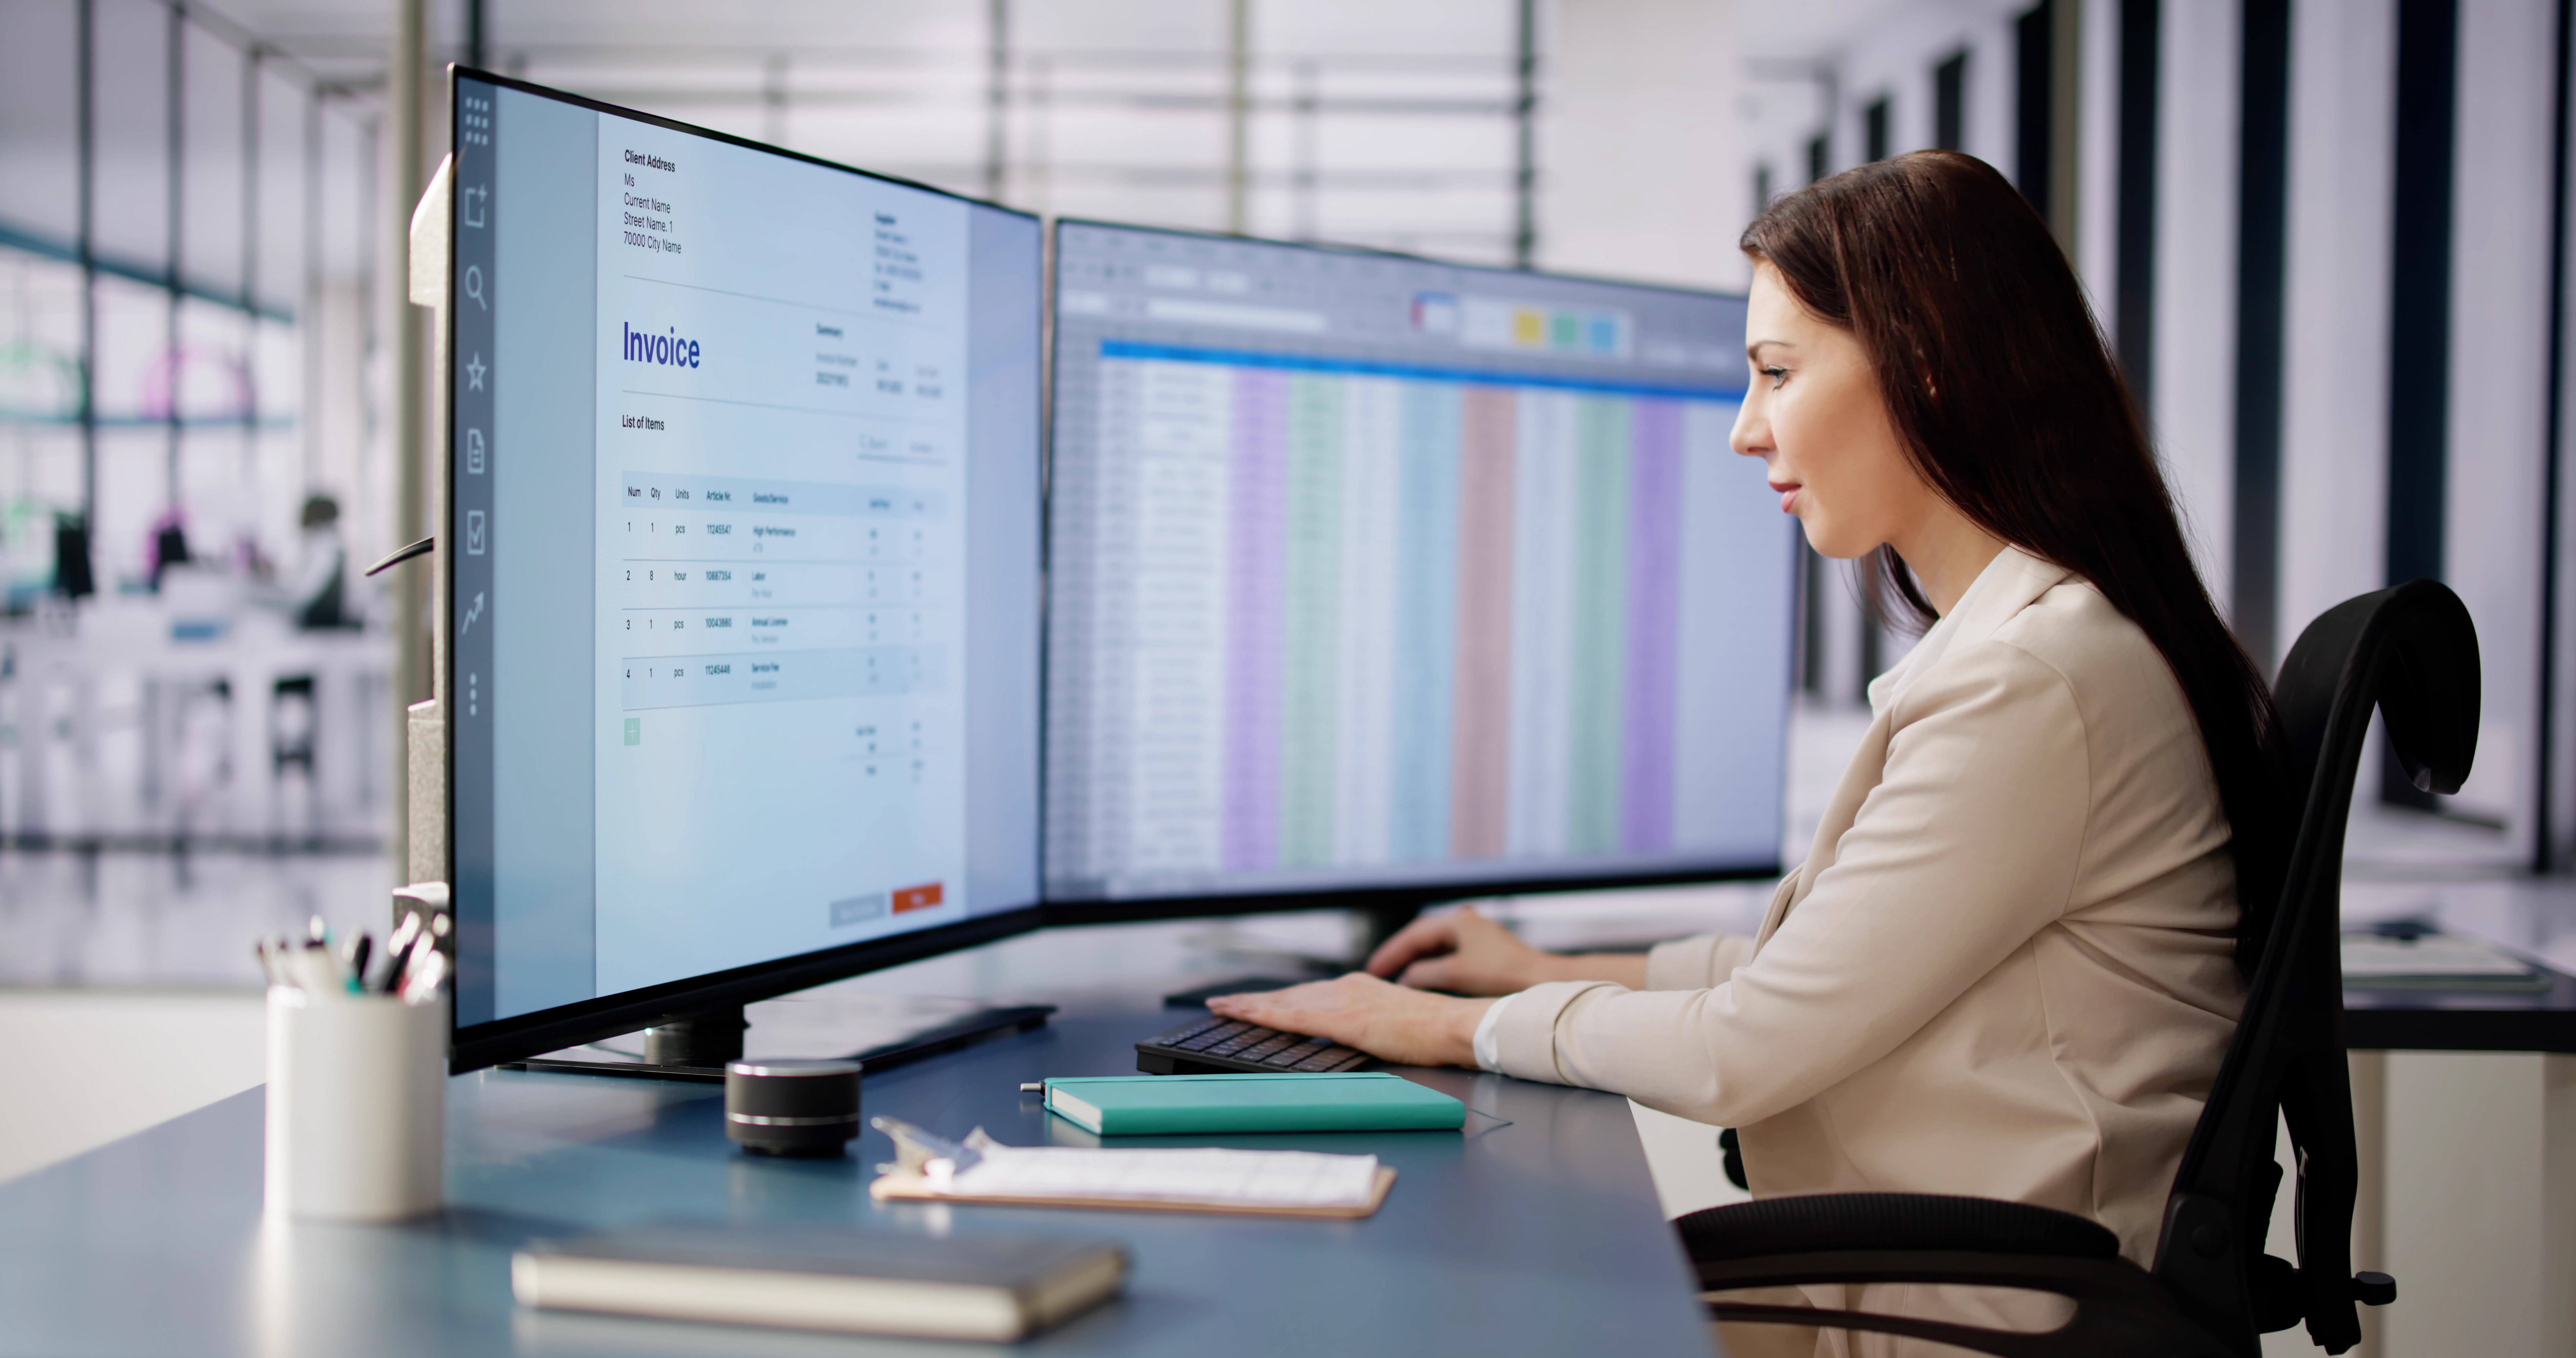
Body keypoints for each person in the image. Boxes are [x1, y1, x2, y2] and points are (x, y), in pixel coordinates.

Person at [1207, 150, 2284, 1355]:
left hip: (1969, 1316)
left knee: (1444, 1302)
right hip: (1944, 1280)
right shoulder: (2047, 644)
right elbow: (1827, 962)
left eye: (1776, 373)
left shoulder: (2030, 680)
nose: (1743, 428)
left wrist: (1442, 1027)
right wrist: (1540, 963)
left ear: (1924, 367)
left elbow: (1746, 1045)